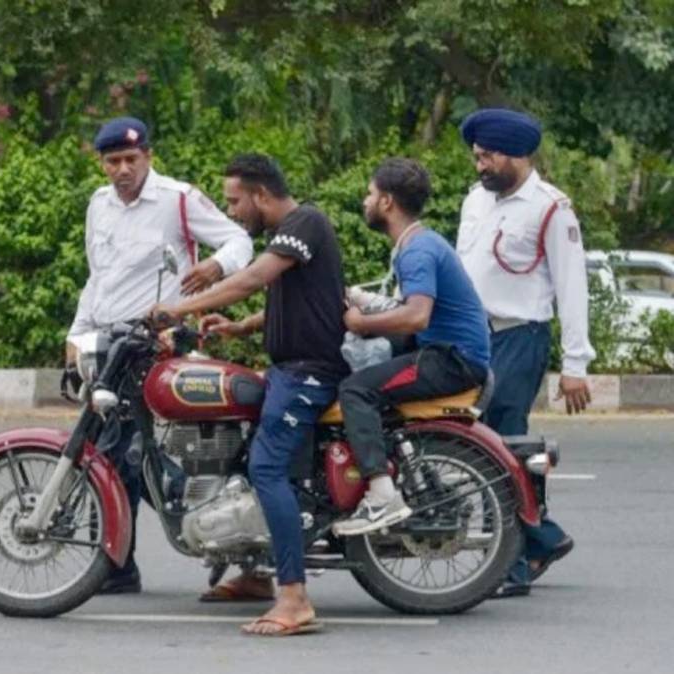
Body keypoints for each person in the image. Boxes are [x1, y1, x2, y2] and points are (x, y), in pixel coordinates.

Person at [151, 153, 349, 636]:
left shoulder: (305, 222)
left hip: (308, 373)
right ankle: (256, 572)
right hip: (288, 370)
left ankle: (294, 598)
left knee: (266, 468)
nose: (233, 211)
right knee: (241, 456)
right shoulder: (290, 233)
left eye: (235, 201)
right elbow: (302, 300)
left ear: (261, 195)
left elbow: (253, 278)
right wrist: (240, 327)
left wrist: (179, 308)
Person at [68, 116, 253, 594]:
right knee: (126, 452)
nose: (123, 169)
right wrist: (77, 333)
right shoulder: (98, 205)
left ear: (148, 156)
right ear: (102, 163)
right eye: (113, 161)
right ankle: (205, 529)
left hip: (159, 345)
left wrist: (215, 267)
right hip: (111, 347)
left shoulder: (178, 199)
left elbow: (240, 241)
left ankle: (118, 564)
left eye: (131, 159)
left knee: (119, 451)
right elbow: (98, 276)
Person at [456, 108, 591, 597]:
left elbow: (572, 286)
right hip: (472, 336)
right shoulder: (476, 200)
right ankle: (542, 538)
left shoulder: (551, 208)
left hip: (519, 336)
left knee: (504, 444)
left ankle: (511, 563)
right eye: (477, 157)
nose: (480, 166)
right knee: (475, 442)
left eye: (488, 157)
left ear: (516, 155)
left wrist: (575, 365)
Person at [330, 158, 490, 536]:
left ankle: (382, 493)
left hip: (452, 360)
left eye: (370, 194)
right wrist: (358, 299)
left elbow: (416, 316)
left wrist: (360, 323)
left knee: (356, 390)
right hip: (446, 349)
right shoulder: (421, 242)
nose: (365, 201)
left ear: (387, 202)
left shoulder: (417, 251)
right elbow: (403, 309)